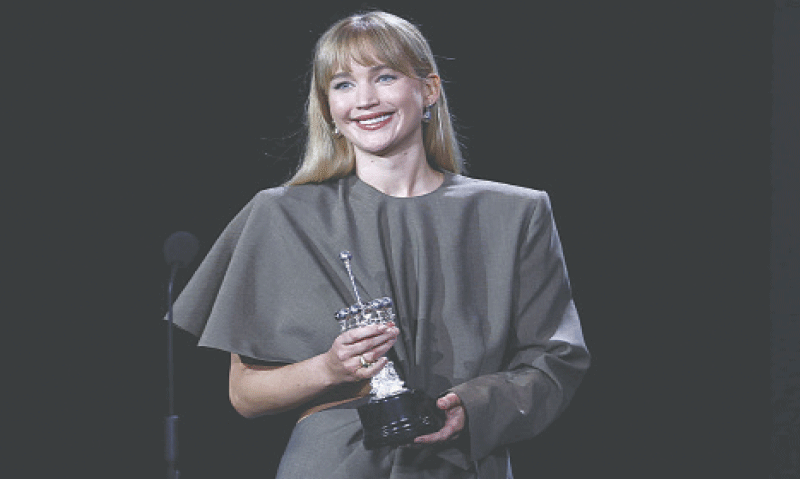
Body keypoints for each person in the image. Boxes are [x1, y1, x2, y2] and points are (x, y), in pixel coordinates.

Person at [172, 10, 590, 478]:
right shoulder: (280, 214)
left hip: (462, 466)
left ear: (428, 89)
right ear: (327, 107)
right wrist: (331, 367)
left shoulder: (517, 213)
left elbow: (554, 361)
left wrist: (470, 407)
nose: (365, 100)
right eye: (343, 84)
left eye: (385, 77)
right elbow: (245, 395)